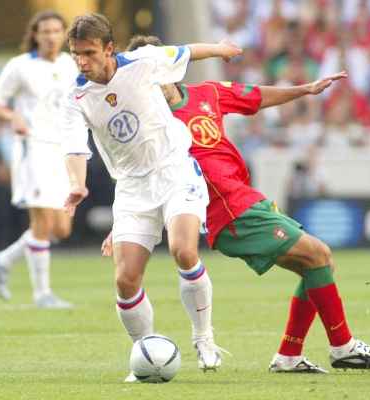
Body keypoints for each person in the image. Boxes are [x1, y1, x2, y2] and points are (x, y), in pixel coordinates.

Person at [103, 34, 370, 374]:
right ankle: (342, 347)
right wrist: (122, 224)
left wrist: (304, 89)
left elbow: (254, 96)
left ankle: (289, 355)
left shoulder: (207, 93)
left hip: (244, 197)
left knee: (316, 266)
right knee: (319, 256)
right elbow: (136, 175)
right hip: (225, 211)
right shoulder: (146, 122)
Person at [60, 13, 242, 381]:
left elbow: (187, 51)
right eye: (76, 54)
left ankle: (203, 337)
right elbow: (74, 147)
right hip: (131, 189)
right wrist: (77, 184)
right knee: (126, 279)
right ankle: (146, 352)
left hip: (174, 171)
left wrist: (221, 49)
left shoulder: (143, 63)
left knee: (184, 250)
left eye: (89, 53)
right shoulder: (75, 97)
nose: (82, 61)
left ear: (109, 49)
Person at [0, 10, 79, 308]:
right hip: (33, 146)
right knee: (42, 219)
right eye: (45, 31)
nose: (50, 36)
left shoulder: (71, 64)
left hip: (63, 149)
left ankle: (3, 259)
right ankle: (42, 294)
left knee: (61, 229)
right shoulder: (20, 66)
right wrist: (13, 116)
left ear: (64, 34)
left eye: (55, 30)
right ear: (35, 34)